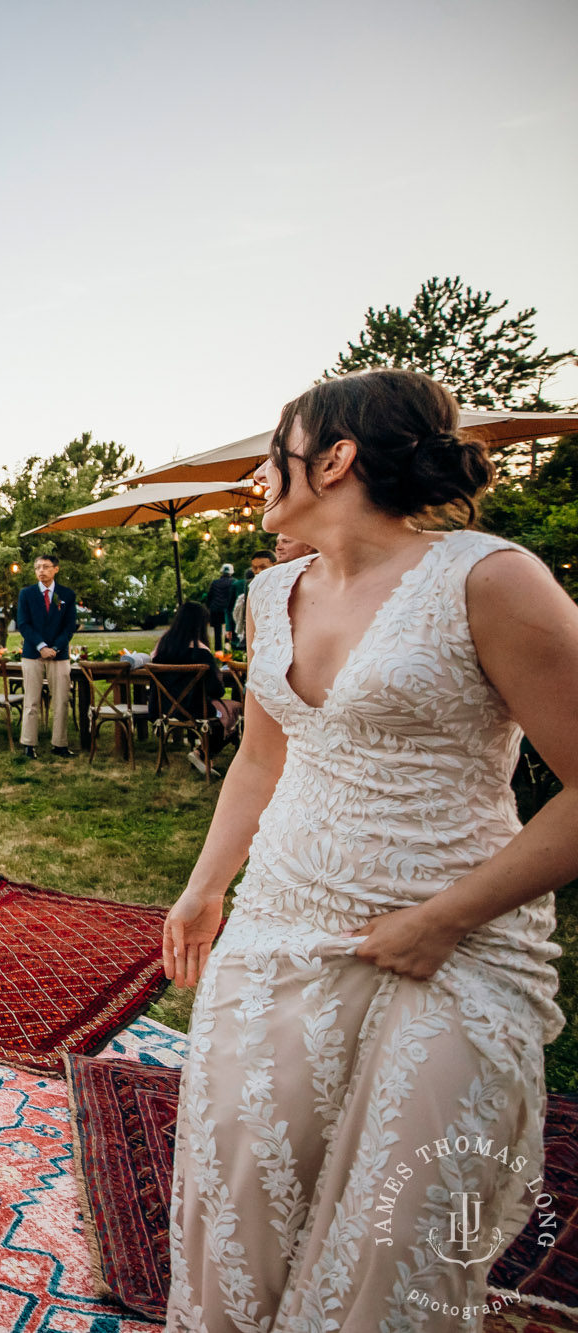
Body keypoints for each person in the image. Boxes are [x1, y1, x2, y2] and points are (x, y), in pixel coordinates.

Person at [160, 369, 578, 1327]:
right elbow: (261, 761)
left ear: (336, 457)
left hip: (449, 945)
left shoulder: (490, 576)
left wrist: (444, 920)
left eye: (281, 448)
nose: (265, 469)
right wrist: (204, 888)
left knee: (394, 1237)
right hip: (277, 927)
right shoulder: (270, 593)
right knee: (239, 1198)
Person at [147, 601, 240, 775]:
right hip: (195, 709)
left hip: (162, 708)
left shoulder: (162, 649)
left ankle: (202, 752)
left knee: (221, 709)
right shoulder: (201, 652)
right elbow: (216, 690)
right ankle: (203, 752)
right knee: (235, 710)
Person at [14, 554, 78, 759]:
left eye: (45, 567)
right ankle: (28, 744)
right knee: (31, 699)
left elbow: (69, 626)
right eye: (37, 567)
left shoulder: (66, 594)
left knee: (60, 700)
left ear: (56, 569)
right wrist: (41, 646)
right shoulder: (27, 594)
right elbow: (23, 624)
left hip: (59, 655)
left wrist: (56, 648)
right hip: (33, 653)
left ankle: (59, 744)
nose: (41, 571)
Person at [203, 563, 240, 650]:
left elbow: (210, 596)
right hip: (228, 610)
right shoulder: (234, 582)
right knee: (229, 630)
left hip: (215, 609)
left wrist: (208, 606)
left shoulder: (215, 582)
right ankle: (227, 649)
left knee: (217, 632)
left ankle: (218, 650)